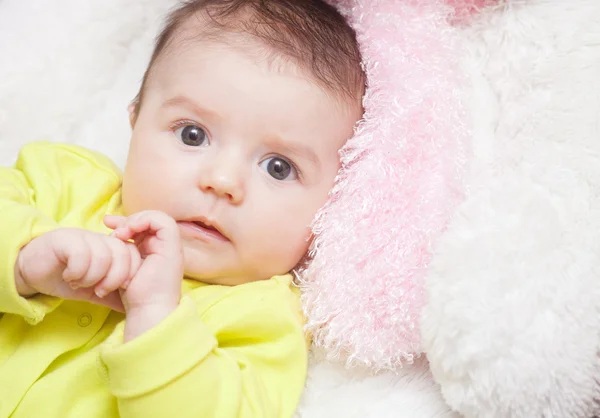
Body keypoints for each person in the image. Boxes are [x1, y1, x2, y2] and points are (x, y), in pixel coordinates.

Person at [0, 0, 364, 417]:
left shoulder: (263, 321)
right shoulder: (63, 181)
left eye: (278, 167)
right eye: (193, 135)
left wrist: (156, 319)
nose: (222, 182)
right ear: (135, 119)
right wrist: (25, 260)